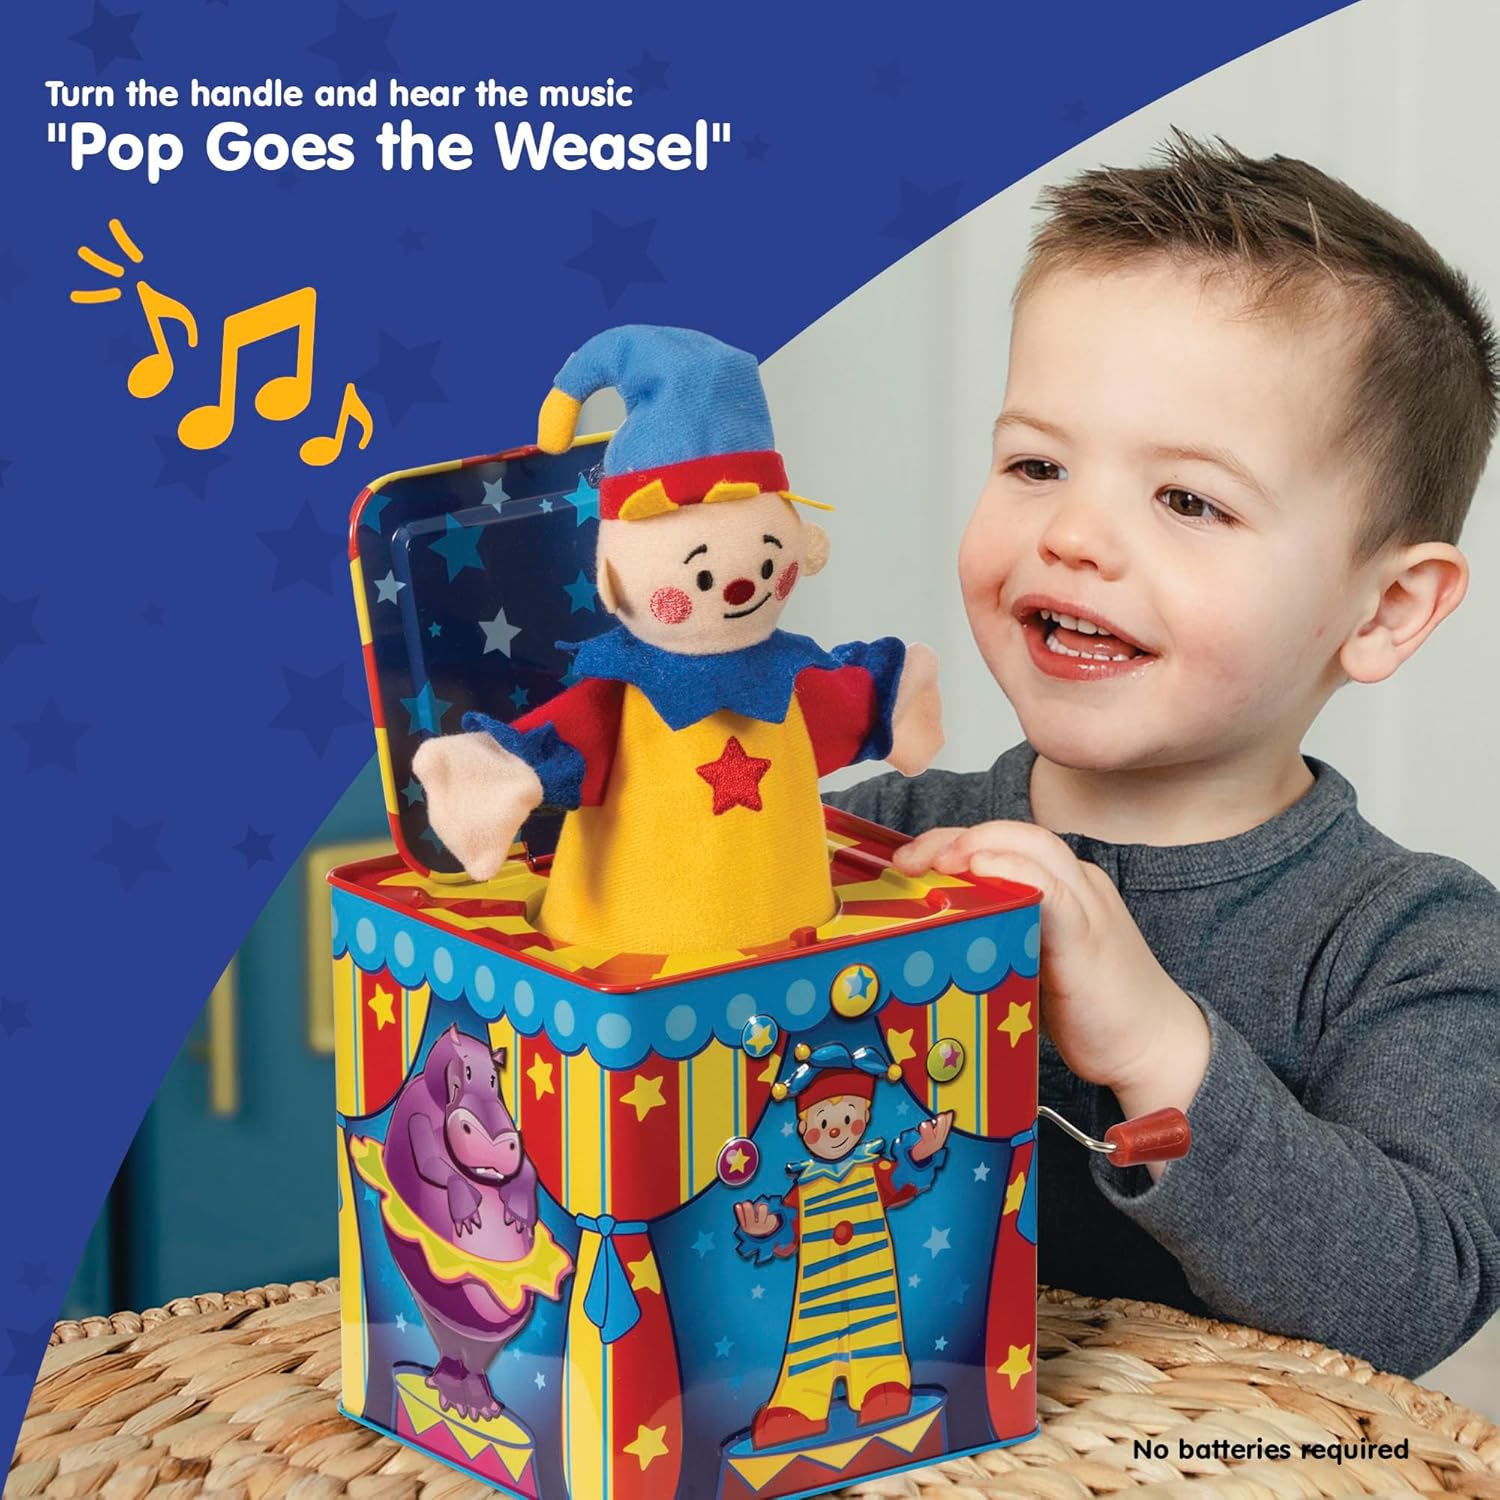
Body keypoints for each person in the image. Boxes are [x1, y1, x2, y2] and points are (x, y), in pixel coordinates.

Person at [826, 130, 1500, 1379]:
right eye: (1036, 463)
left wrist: (1155, 1045)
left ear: (1386, 610)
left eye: (1189, 500)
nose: (1075, 533)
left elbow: (1418, 1297)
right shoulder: (875, 845)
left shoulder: (1418, 945)